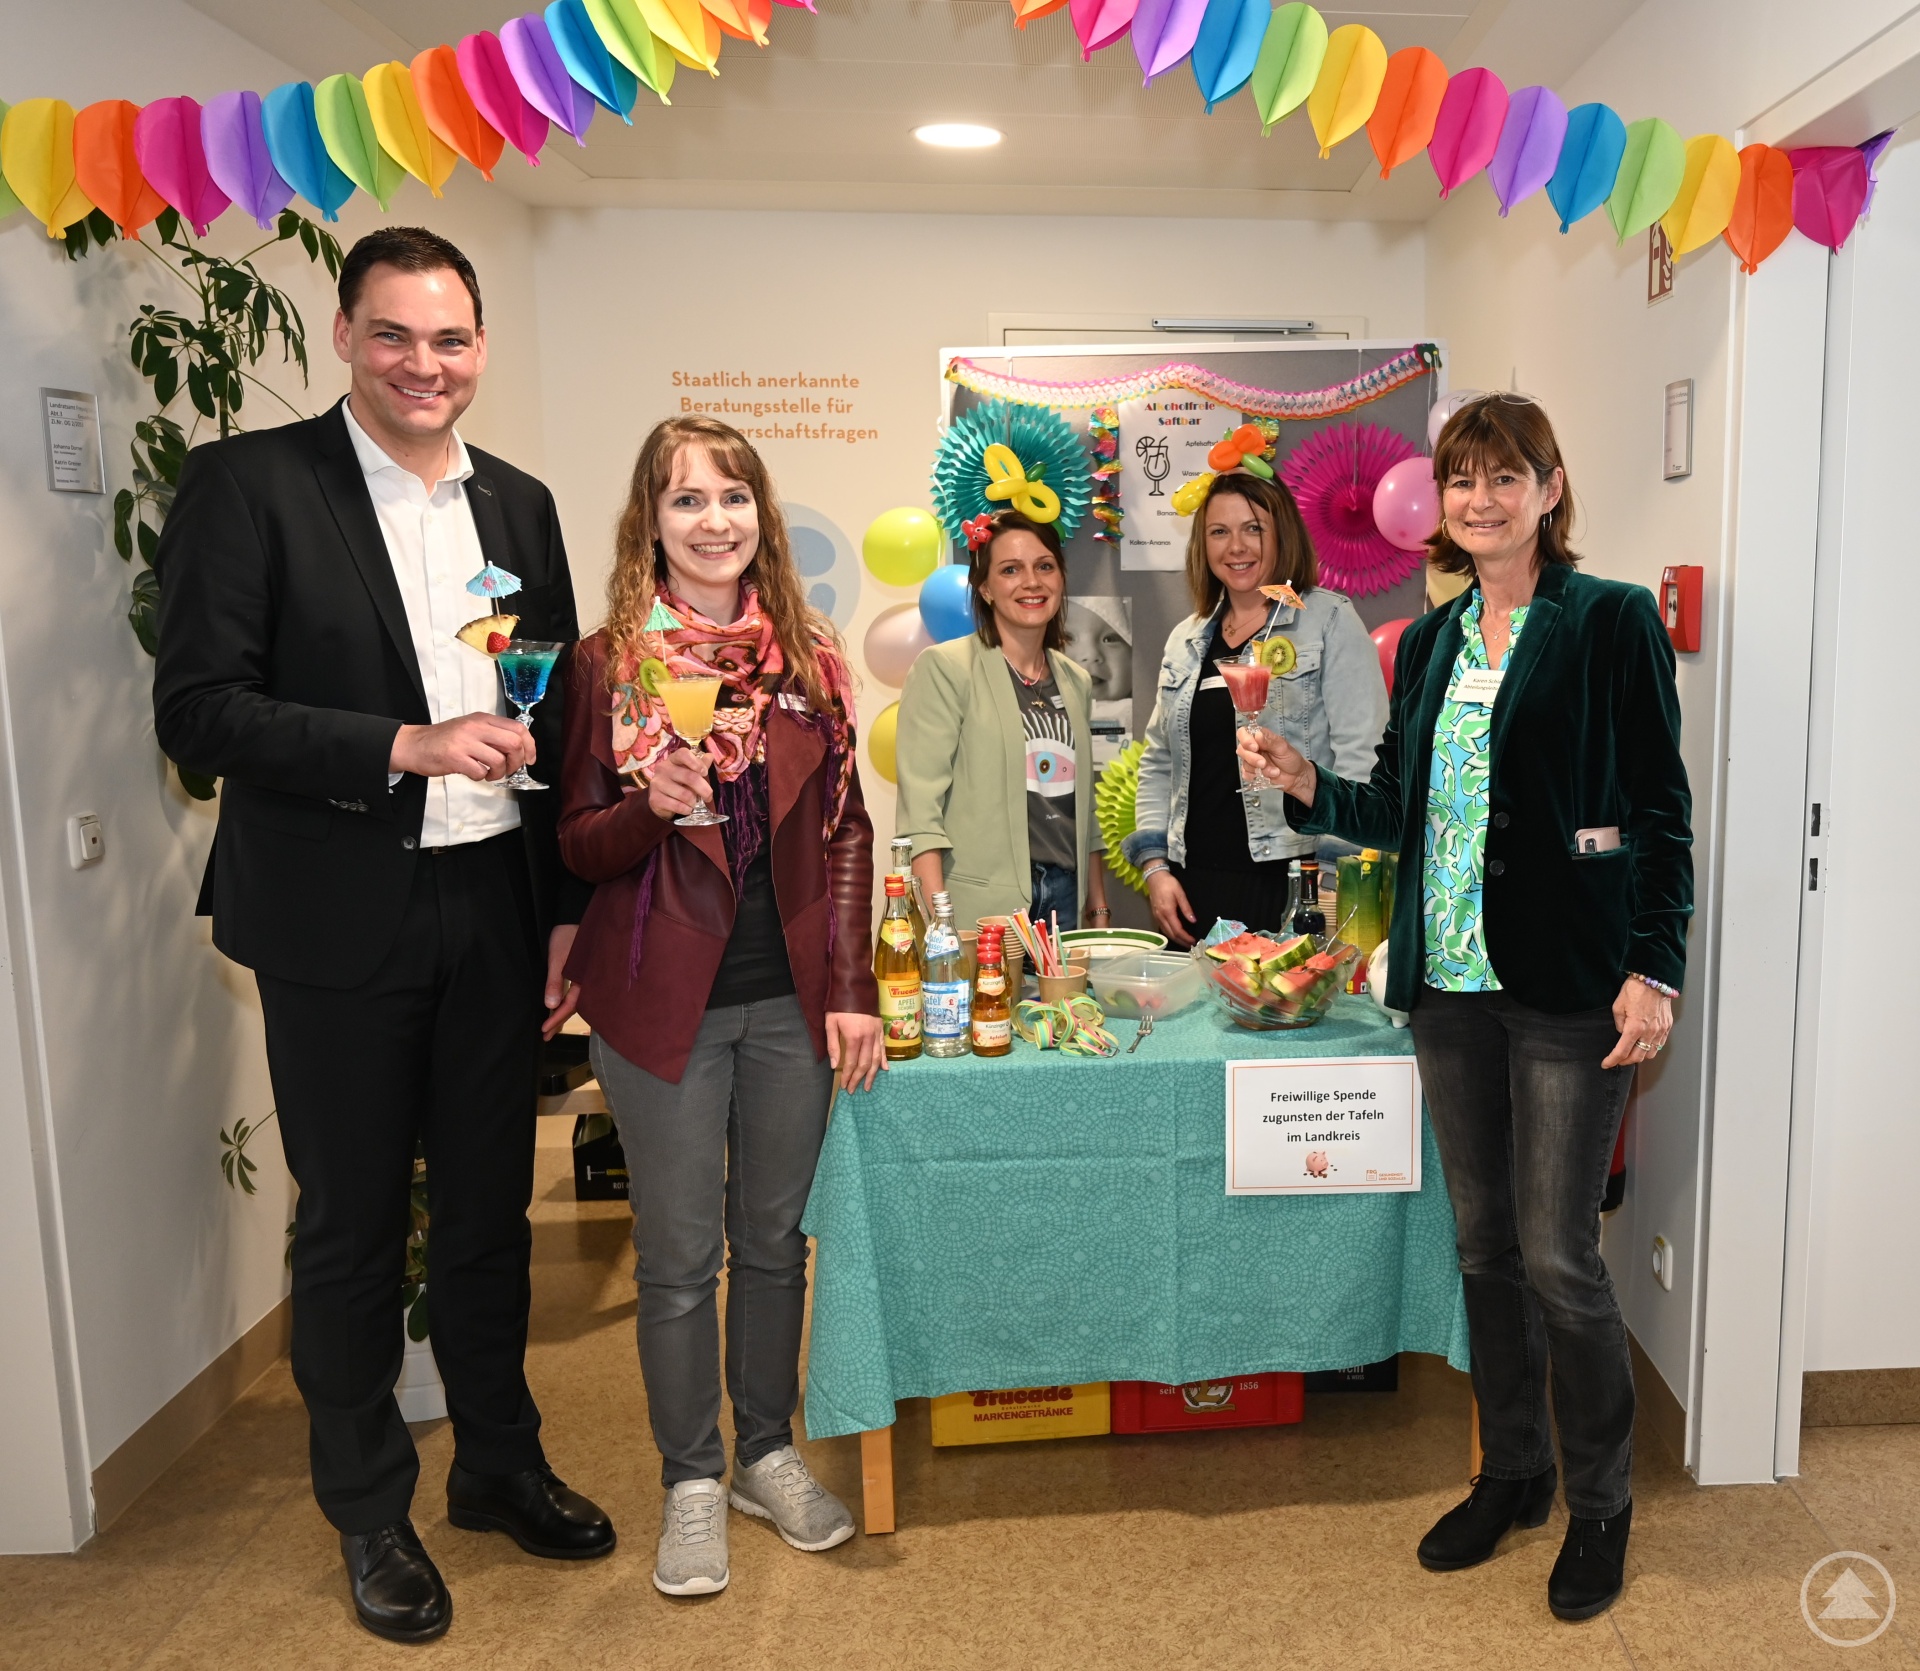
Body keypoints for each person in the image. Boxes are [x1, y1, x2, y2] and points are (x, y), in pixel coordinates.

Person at [152, 228, 613, 1645]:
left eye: (454, 339)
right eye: (398, 335)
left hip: (493, 905)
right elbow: (201, 713)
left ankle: (497, 1460)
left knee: (488, 1210)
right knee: (353, 1224)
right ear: (346, 333)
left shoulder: (523, 506)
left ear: (482, 348)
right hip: (337, 908)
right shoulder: (251, 486)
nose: (428, 365)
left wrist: (562, 913)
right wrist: (406, 741)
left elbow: (556, 723)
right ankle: (370, 1507)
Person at [1238, 393, 1693, 1623]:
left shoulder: (1606, 622)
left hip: (1564, 987)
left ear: (1550, 489)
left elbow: (1658, 809)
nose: (1480, 501)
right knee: (1484, 1247)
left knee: (1559, 1258)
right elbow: (1395, 809)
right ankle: (1514, 1473)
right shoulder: (1432, 638)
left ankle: (1602, 1505)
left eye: (1505, 478)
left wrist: (1654, 971)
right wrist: (1302, 782)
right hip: (1449, 988)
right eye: (1461, 482)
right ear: (1439, 507)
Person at [556, 414, 883, 1598]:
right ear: (651, 521)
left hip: (790, 1005)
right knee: (681, 1261)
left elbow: (847, 834)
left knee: (775, 1248)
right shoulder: (607, 668)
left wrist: (852, 989)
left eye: (733, 496)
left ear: (763, 514)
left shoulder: (810, 658)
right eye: (687, 500)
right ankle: (691, 1478)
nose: (714, 521)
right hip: (660, 1007)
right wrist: (650, 805)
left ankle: (766, 1453)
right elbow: (581, 848)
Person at [1123, 471, 1386, 945]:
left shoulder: (1326, 620)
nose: (1236, 547)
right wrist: (1156, 867)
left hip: (1293, 879)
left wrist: (1329, 878)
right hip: (1193, 884)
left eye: (1253, 529)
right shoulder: (1186, 638)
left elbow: (1362, 757)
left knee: (1292, 1016)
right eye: (1219, 532)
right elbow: (1159, 761)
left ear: (1282, 534)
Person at [894, 508, 1111, 934]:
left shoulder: (1076, 680)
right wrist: (940, 923)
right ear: (986, 588)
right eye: (1011, 570)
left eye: (1044, 566)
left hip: (1066, 901)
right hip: (979, 909)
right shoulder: (945, 668)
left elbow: (1082, 806)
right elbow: (920, 816)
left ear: (1061, 577)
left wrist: (1098, 910)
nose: (1032, 582)